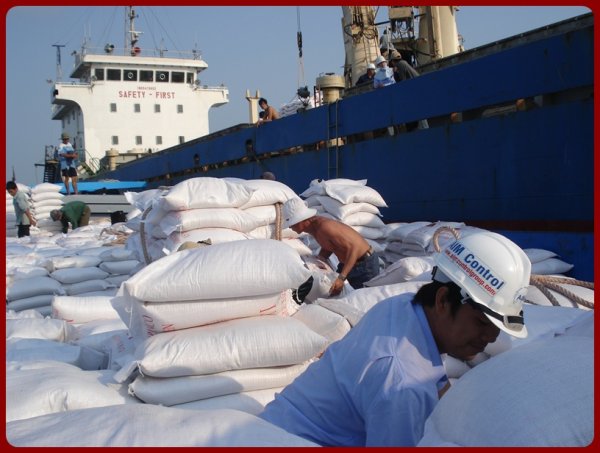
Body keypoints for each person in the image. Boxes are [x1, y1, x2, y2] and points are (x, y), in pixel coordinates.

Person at [260, 231, 531, 446]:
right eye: (483, 322)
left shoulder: (404, 309)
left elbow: (436, 383)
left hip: (272, 429)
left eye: (498, 326)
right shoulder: (403, 381)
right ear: (443, 300)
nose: (491, 336)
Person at [281, 198, 379, 296]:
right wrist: (319, 260)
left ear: (301, 220)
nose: (290, 227)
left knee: (364, 299)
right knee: (332, 291)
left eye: (292, 223)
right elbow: (331, 245)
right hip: (349, 264)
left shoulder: (324, 227)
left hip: (364, 265)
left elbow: (354, 248)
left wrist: (341, 278)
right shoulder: (314, 228)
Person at [389, 51, 429, 131]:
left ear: (393, 61)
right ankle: (422, 128)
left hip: (414, 90)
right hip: (417, 88)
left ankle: (424, 129)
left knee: (418, 111)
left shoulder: (400, 65)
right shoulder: (404, 63)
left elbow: (402, 82)